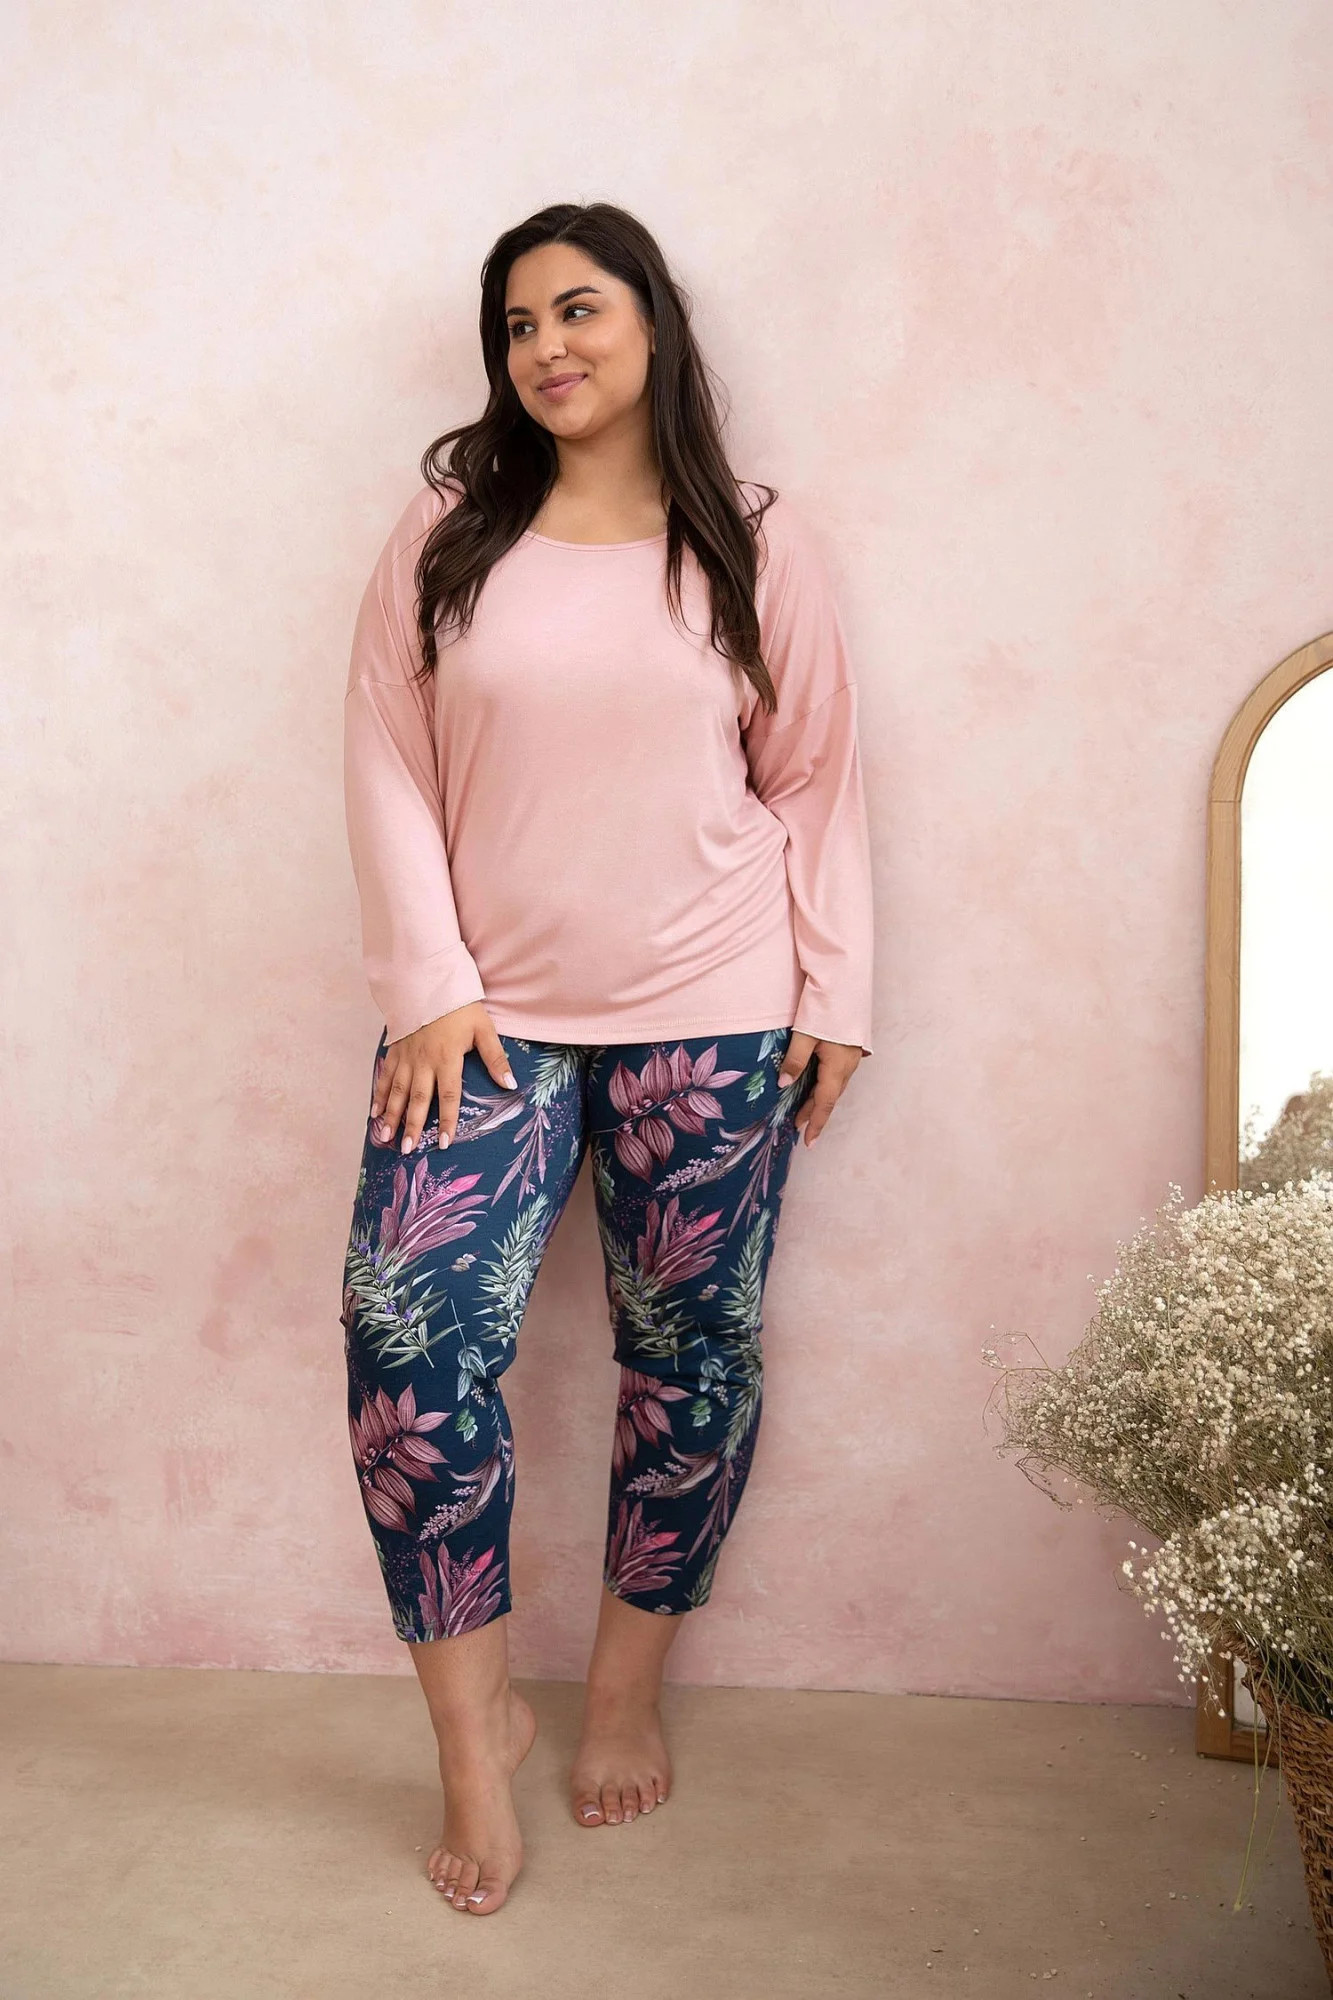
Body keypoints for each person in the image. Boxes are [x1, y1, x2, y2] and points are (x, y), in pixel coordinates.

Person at [339, 199, 874, 1917]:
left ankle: (627, 1691)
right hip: (478, 1026)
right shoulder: (450, 528)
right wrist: (427, 982)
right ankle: (471, 1732)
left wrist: (835, 992)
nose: (546, 347)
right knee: (409, 1348)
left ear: (650, 321)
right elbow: (385, 754)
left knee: (689, 1359)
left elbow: (812, 776)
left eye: (576, 310)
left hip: (713, 1013)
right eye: (516, 325)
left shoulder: (752, 539)